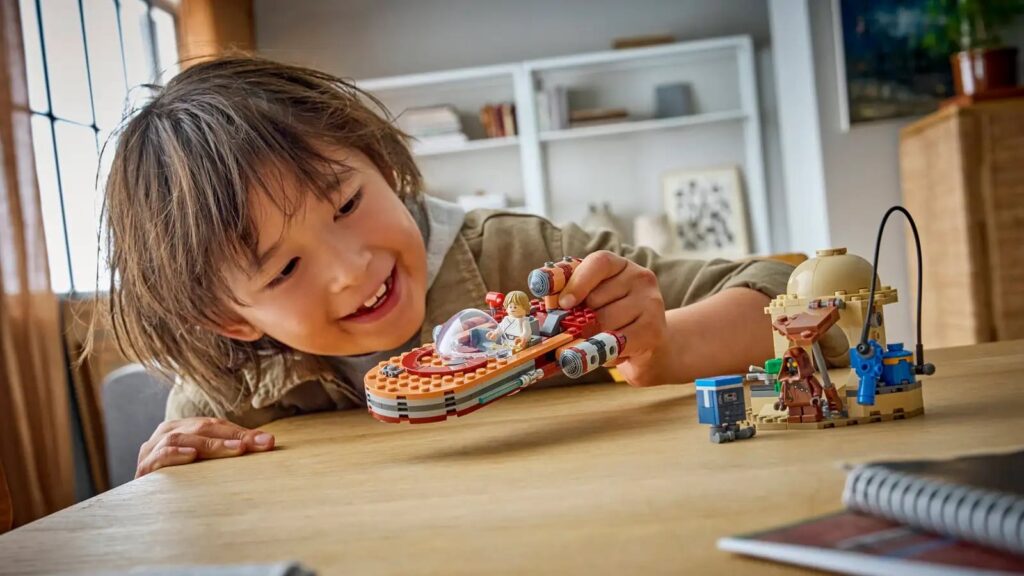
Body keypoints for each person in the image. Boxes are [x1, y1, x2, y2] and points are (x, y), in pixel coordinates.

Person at [95, 55, 794, 478]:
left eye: (347, 204)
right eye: (282, 271)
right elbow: (191, 499)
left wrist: (666, 346)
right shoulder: (227, 385)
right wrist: (172, 471)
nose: (351, 269)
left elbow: (785, 296)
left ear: (379, 159)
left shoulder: (521, 259)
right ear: (227, 318)